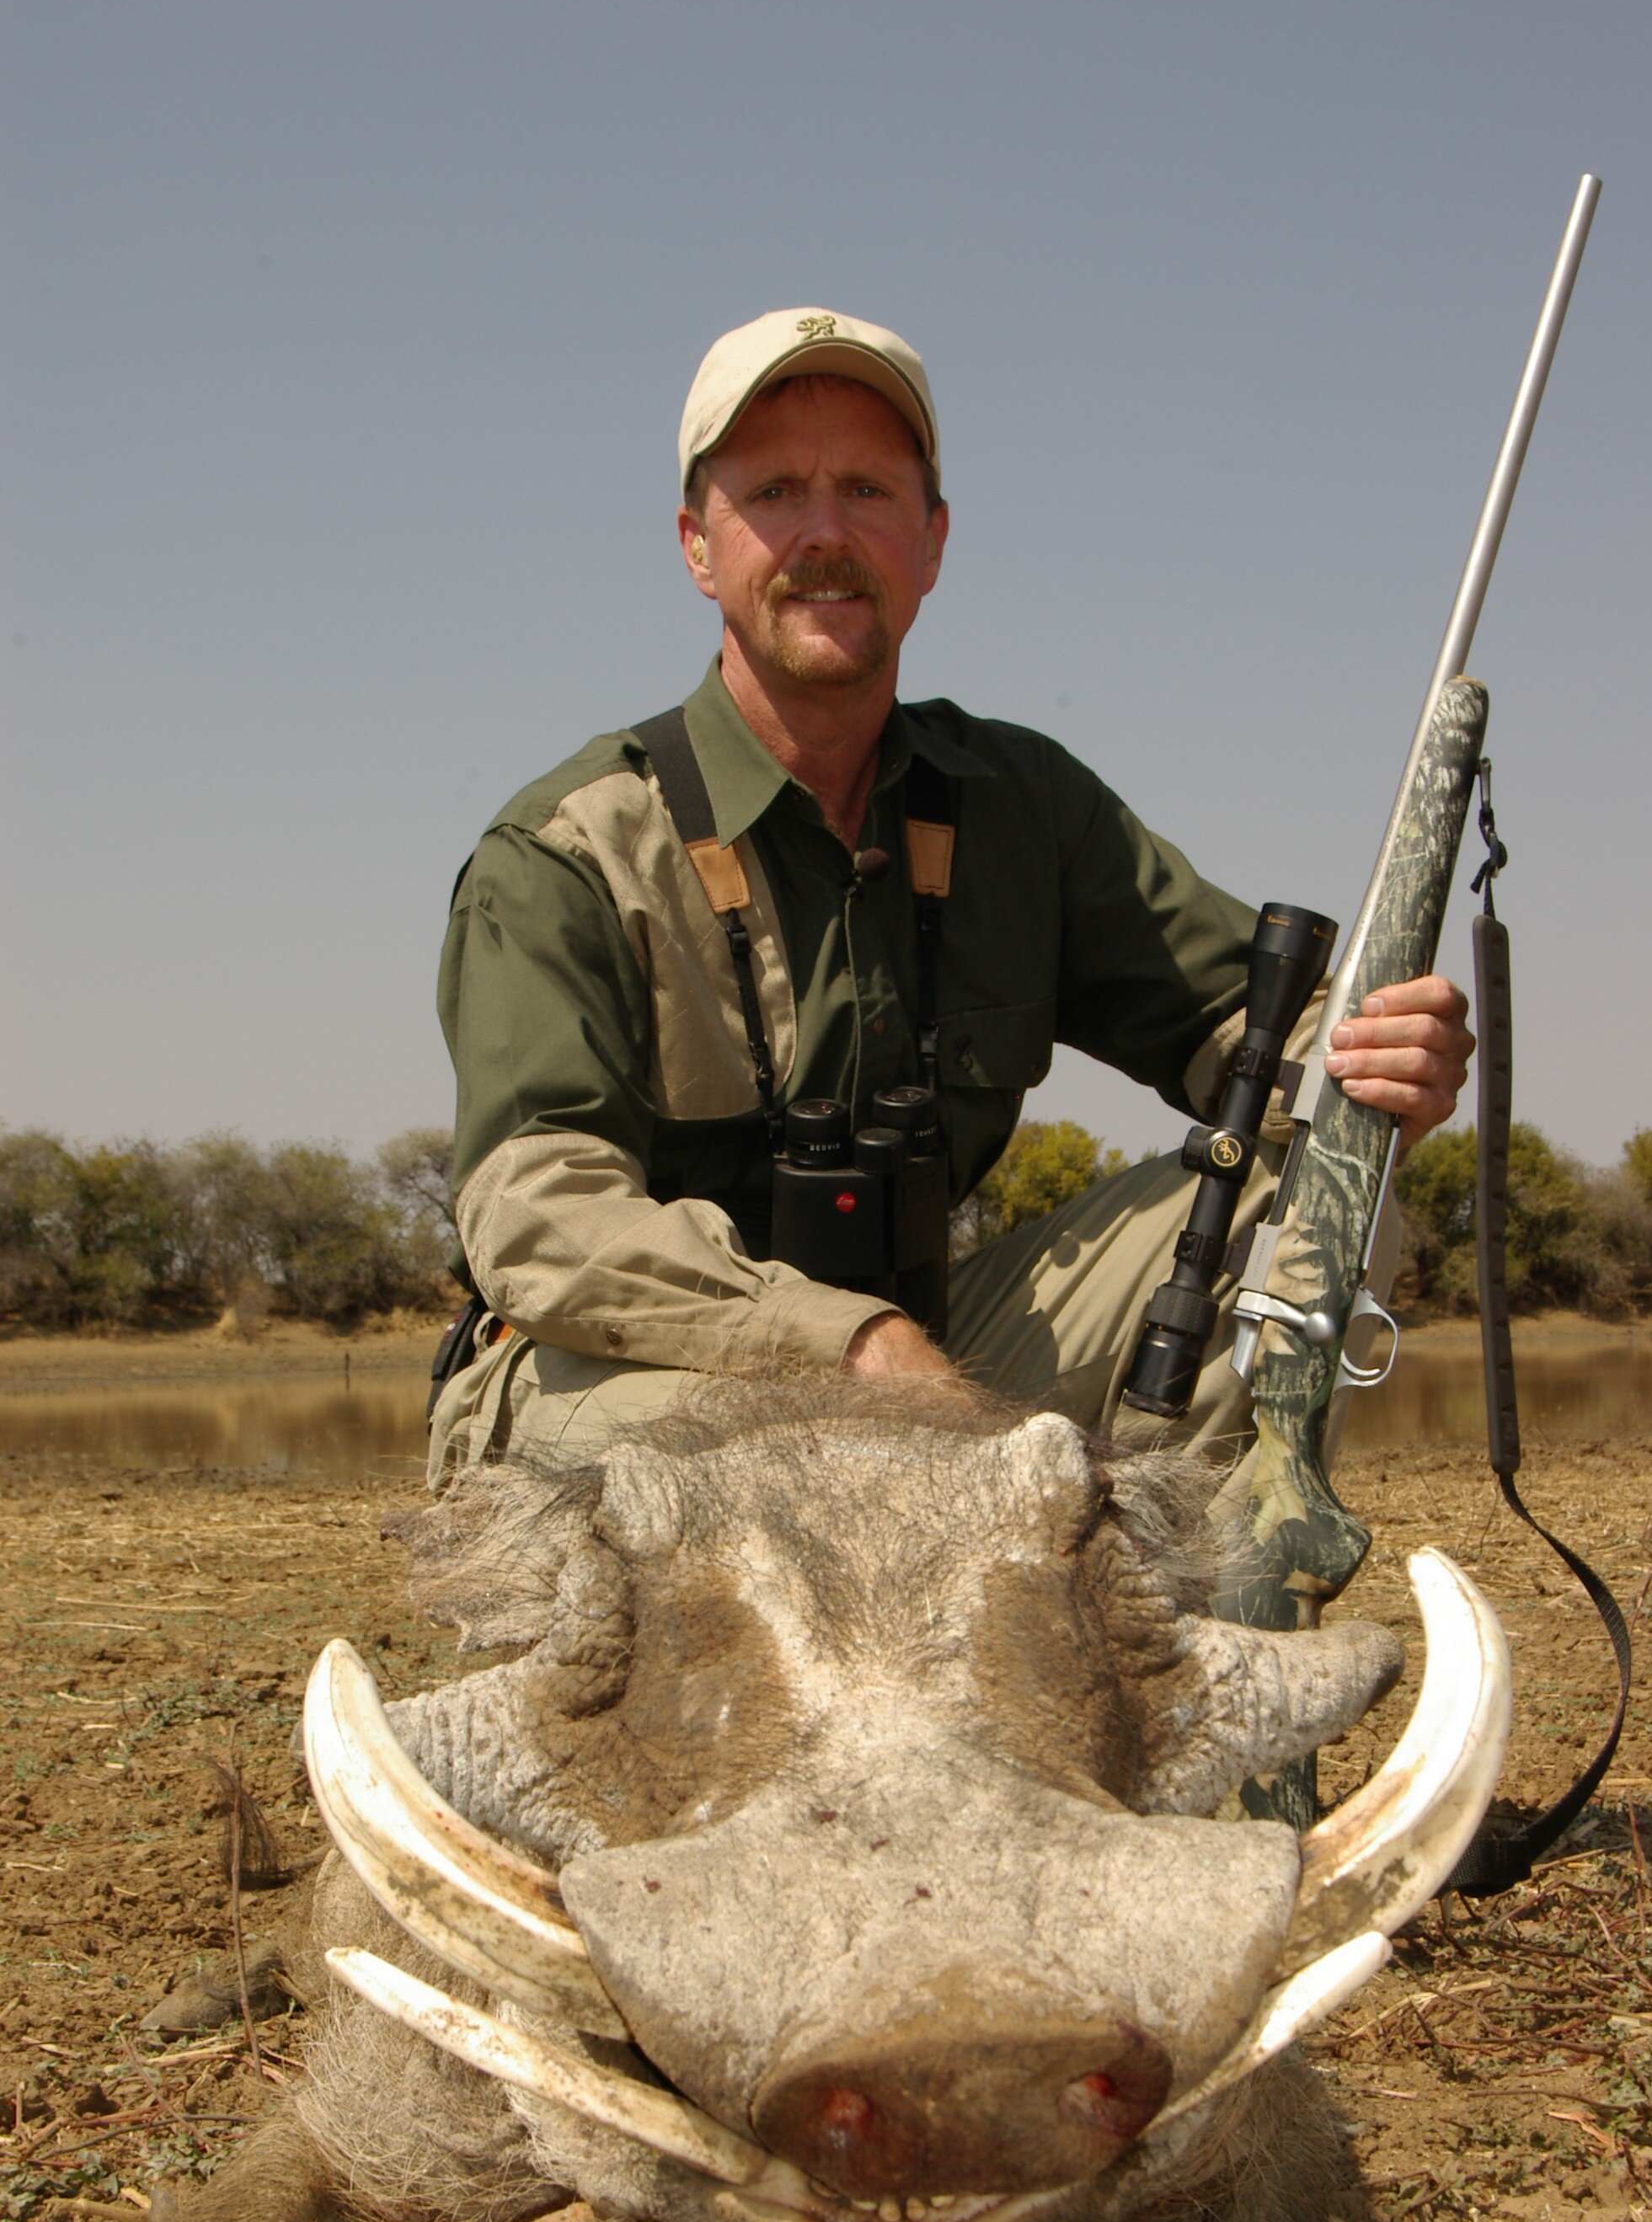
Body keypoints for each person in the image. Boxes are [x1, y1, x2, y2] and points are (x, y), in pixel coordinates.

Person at [430, 308, 1472, 1491]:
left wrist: (1377, 1065)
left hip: (927, 1354)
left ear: (931, 544)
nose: (825, 532)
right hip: (624, 1375)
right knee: (799, 1458)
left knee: (1317, 1199)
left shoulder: (1020, 802)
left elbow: (1256, 1041)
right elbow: (532, 1213)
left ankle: (1182, 1637)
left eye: (869, 492)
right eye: (774, 491)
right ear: (696, 545)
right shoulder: (565, 851)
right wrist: (848, 1343)